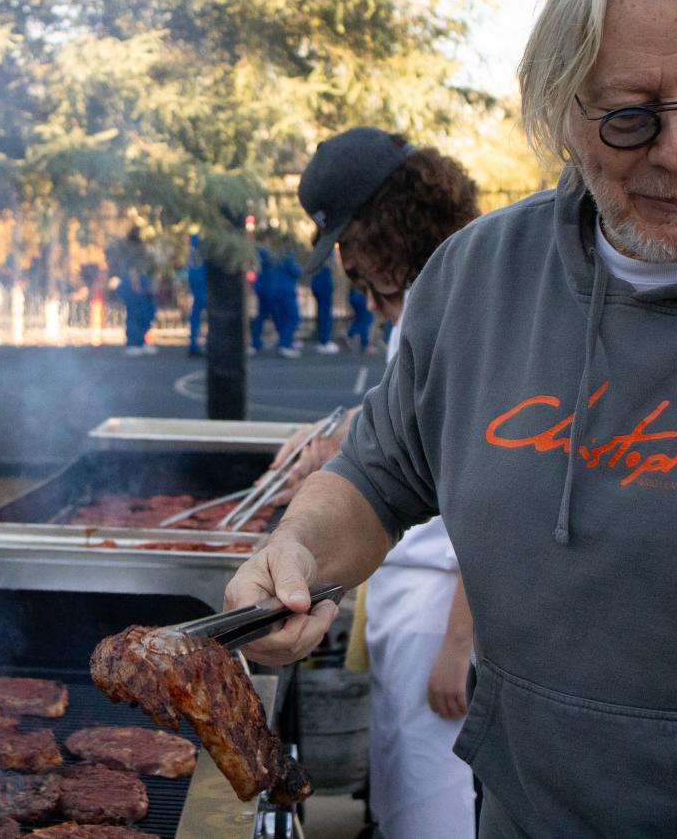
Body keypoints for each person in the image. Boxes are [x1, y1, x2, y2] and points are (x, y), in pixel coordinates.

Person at [228, 0, 677, 834]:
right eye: (630, 116)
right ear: (561, 106)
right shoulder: (474, 278)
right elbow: (378, 475)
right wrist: (294, 551)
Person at [267, 126, 481, 839]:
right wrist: (336, 440)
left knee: (434, 804)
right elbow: (414, 423)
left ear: (390, 219)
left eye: (347, 237)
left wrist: (458, 643)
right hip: (402, 593)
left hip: (442, 606)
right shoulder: (422, 300)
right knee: (397, 790)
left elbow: (494, 497)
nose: (344, 258)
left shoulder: (462, 302)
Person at [109, 229, 157, 355]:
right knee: (136, 315)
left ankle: (140, 342)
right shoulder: (134, 251)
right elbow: (133, 269)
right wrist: (137, 288)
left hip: (137, 284)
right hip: (133, 286)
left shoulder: (138, 251)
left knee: (144, 315)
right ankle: (133, 343)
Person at [185, 233, 207, 356]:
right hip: (203, 289)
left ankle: (193, 343)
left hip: (197, 290)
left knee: (195, 317)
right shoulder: (202, 256)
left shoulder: (192, 256)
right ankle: (195, 343)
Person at [310, 263, 339, 353]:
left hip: (318, 283)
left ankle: (322, 341)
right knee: (325, 314)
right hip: (323, 284)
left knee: (322, 314)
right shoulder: (326, 254)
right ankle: (324, 342)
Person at [346, 285, 374, 354]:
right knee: (366, 319)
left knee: (360, 318)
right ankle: (365, 344)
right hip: (361, 293)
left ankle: (350, 334)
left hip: (354, 292)